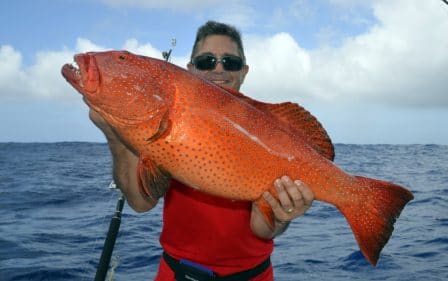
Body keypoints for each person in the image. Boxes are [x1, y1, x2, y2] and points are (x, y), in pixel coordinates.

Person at [89, 21, 314, 281]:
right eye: (207, 61)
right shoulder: (164, 118)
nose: (219, 69)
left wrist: (282, 215)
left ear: (244, 71)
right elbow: (141, 202)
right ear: (190, 69)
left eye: (230, 62)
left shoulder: (267, 130)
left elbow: (261, 230)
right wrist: (115, 136)